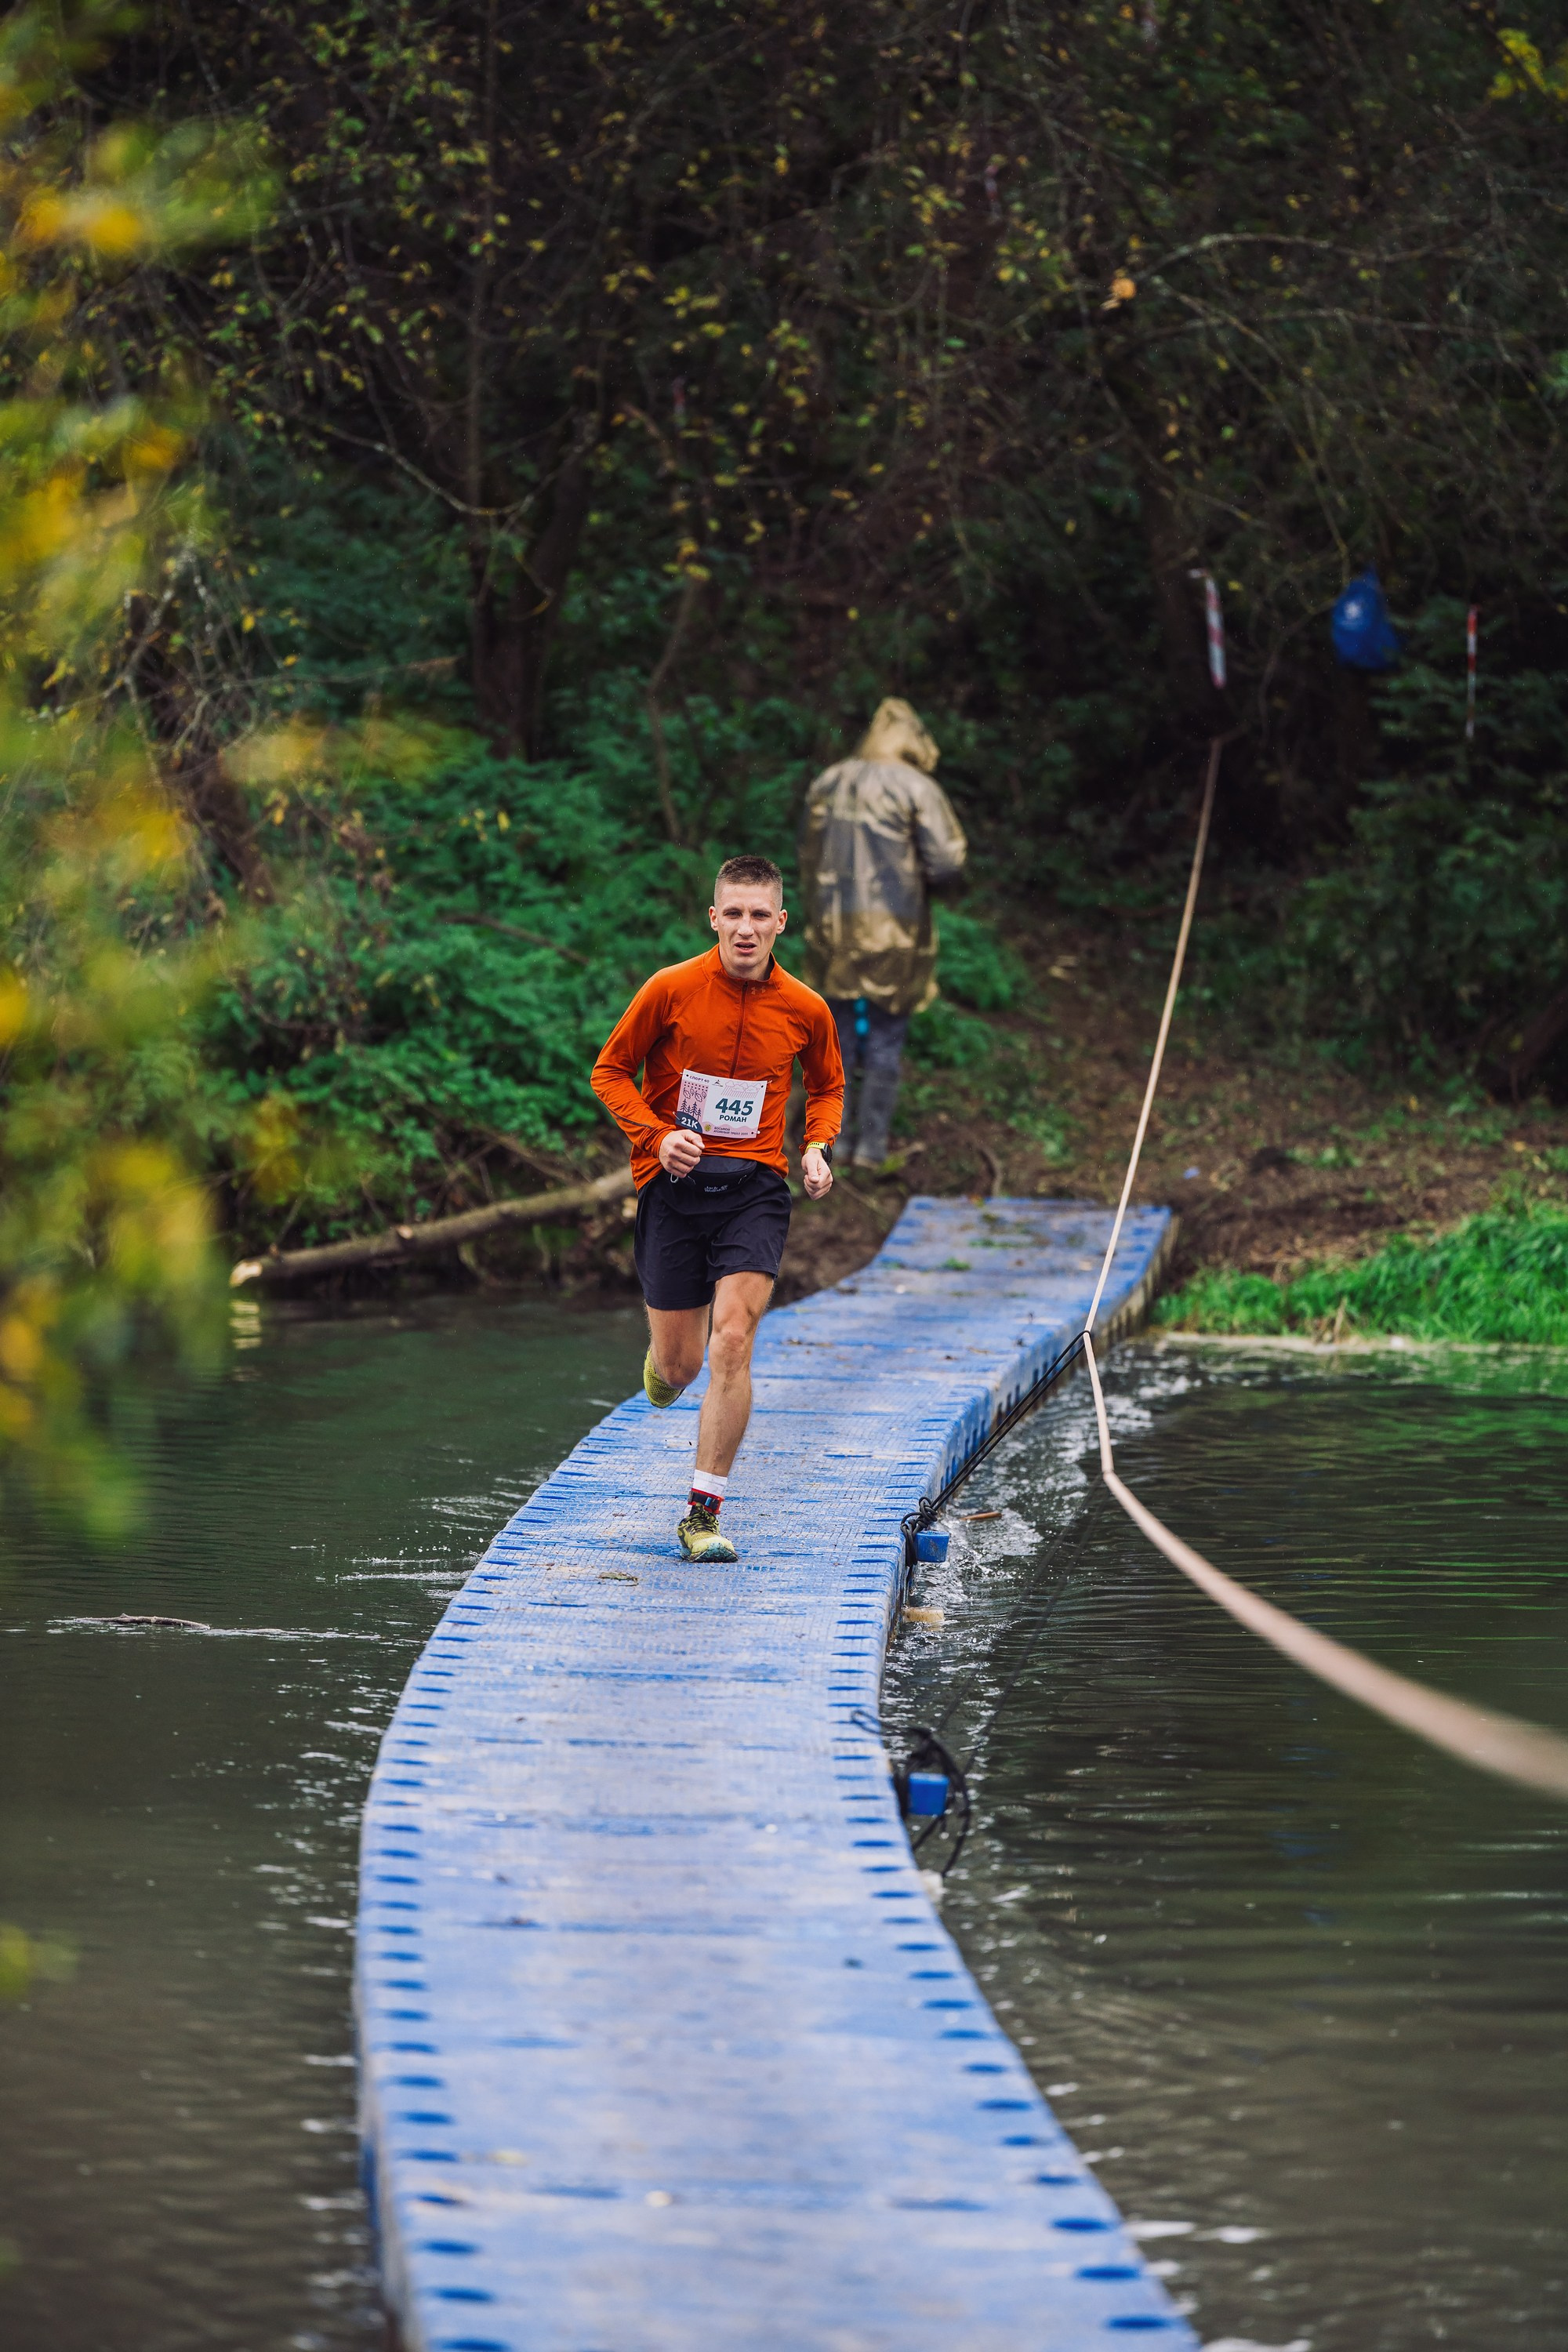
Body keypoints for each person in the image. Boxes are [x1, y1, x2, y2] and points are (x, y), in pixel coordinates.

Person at [591, 854, 844, 1564]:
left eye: (759, 914)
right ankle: (667, 1363)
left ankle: (702, 1515)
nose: (745, 927)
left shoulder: (806, 1007)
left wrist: (817, 1145)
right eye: (732, 912)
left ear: (780, 924)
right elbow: (609, 1072)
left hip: (755, 1189)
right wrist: (656, 1135)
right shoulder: (669, 989)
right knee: (682, 1368)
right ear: (714, 917)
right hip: (673, 1189)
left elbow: (826, 1087)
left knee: (734, 1339)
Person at [798, 696, 968, 1171]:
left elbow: (808, 857)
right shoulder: (916, 788)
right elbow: (948, 861)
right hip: (895, 934)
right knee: (886, 1040)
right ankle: (871, 1148)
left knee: (840, 1043)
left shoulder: (830, 781)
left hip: (833, 933)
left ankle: (832, 1145)